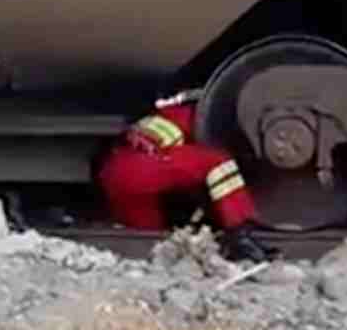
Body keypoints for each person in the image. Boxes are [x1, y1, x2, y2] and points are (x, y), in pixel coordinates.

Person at [97, 89, 275, 263]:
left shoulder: (164, 115)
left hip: (116, 174)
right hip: (140, 169)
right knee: (219, 163)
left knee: (150, 237)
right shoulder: (193, 118)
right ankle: (239, 237)